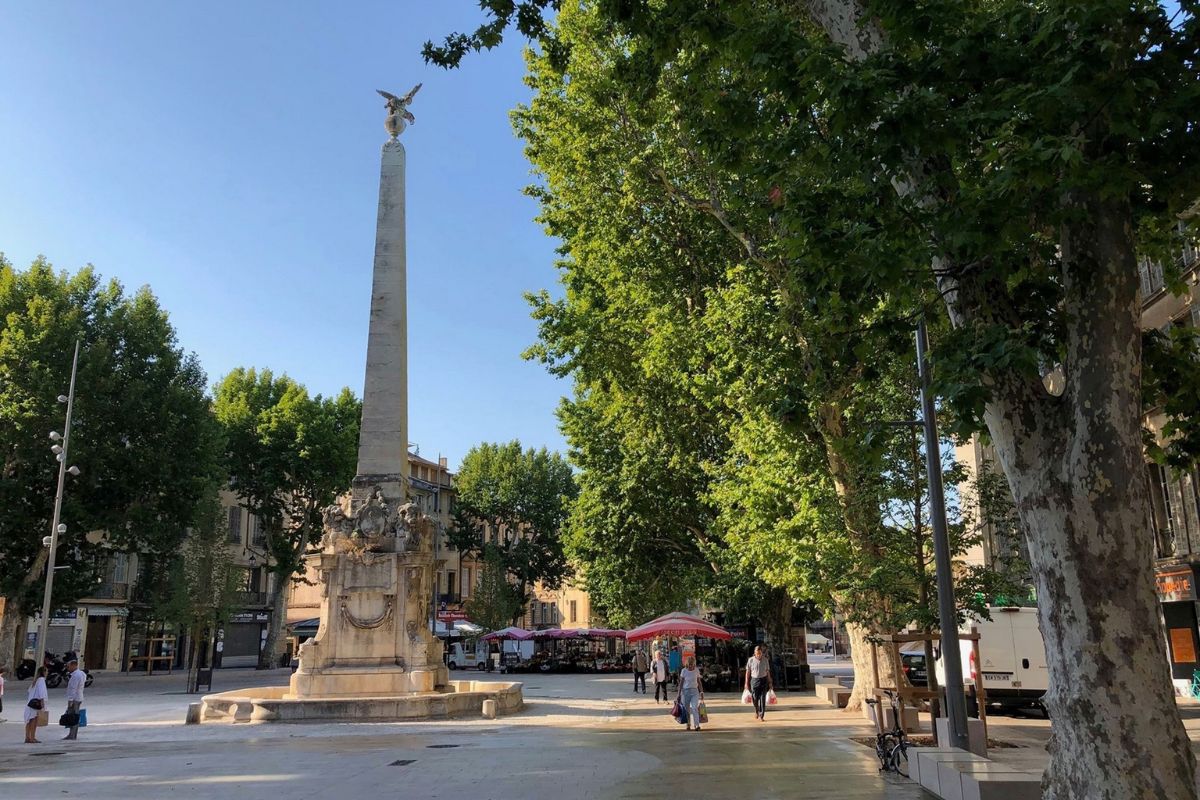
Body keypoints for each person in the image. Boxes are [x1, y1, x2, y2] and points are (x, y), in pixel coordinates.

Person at [745, 644, 773, 721]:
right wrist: (746, 683)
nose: (759, 655)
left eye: (760, 653)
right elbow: (747, 672)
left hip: (763, 680)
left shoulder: (765, 660)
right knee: (754, 698)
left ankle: (762, 715)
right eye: (757, 653)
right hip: (754, 681)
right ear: (754, 653)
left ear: (762, 653)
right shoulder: (750, 660)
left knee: (762, 698)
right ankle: (756, 710)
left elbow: (768, 672)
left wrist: (770, 682)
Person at [678, 655, 705, 731]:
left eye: (692, 665)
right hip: (685, 692)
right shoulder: (684, 671)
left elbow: (699, 682)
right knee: (686, 709)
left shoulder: (696, 670)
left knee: (694, 708)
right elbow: (681, 683)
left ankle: (697, 725)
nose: (690, 666)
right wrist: (679, 694)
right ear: (687, 664)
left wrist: (701, 692)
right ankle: (688, 724)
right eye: (689, 665)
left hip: (694, 691)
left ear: (694, 664)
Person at [63, 657, 85, 741]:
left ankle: (72, 735)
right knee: (75, 716)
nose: (68, 669)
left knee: (73, 716)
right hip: (79, 697)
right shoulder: (82, 674)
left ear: (73, 666)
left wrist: (70, 700)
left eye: (68, 667)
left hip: (75, 698)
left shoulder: (75, 676)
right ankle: (73, 734)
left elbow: (73, 689)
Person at [24, 667, 48, 744]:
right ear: (44, 672)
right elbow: (42, 693)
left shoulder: (36, 681)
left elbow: (29, 691)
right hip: (36, 704)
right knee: (34, 721)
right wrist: (42, 704)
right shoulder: (41, 680)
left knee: (29, 721)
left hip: (30, 703)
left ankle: (27, 737)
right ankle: (32, 738)